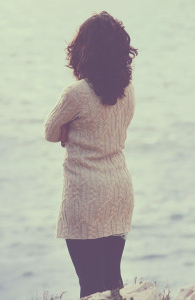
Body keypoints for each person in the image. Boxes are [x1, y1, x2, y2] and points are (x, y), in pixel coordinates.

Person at [43, 11, 138, 300]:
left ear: (83, 49)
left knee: (89, 286)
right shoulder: (128, 90)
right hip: (119, 189)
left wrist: (69, 131)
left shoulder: (76, 93)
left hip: (86, 195)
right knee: (112, 282)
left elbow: (49, 131)